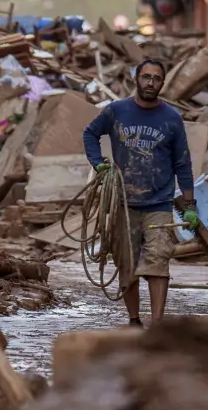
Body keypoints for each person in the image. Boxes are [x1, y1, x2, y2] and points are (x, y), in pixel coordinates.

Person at [82, 57, 196, 327]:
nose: (150, 83)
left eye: (156, 79)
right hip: (123, 203)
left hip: (159, 204)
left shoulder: (172, 119)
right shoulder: (116, 111)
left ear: (163, 83)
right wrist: (98, 164)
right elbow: (90, 133)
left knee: (158, 263)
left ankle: (157, 323)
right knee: (126, 265)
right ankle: (134, 320)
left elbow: (183, 162)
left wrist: (190, 206)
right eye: (146, 77)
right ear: (137, 78)